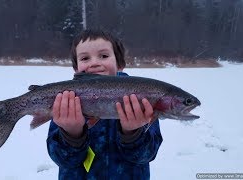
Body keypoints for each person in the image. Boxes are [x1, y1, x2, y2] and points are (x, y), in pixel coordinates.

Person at [47, 29, 163, 179]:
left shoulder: (140, 97)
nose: (94, 63)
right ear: (76, 68)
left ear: (119, 63)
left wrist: (133, 134)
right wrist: (71, 134)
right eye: (85, 58)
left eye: (104, 56)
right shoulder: (67, 100)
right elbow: (63, 160)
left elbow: (146, 155)